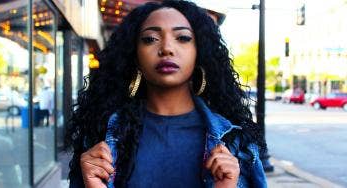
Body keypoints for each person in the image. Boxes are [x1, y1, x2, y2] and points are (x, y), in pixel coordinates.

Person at [65, 1, 267, 187]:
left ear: (200, 52)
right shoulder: (100, 138)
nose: (167, 48)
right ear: (134, 54)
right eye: (150, 39)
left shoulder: (236, 142)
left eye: (183, 38)